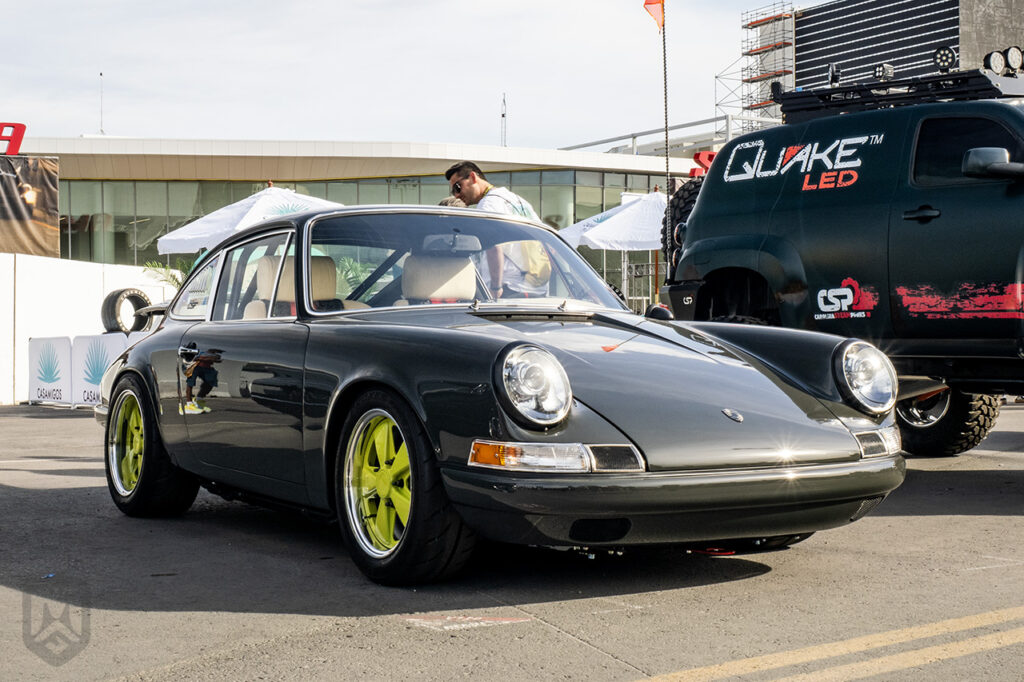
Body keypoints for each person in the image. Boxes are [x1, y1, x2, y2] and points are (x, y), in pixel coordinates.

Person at [445, 161, 549, 298]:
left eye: (458, 188)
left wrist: (495, 287)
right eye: (453, 191)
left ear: (473, 177)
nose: (456, 195)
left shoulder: (488, 204)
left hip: (509, 288)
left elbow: (493, 246)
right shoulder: (518, 201)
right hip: (537, 288)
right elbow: (546, 242)